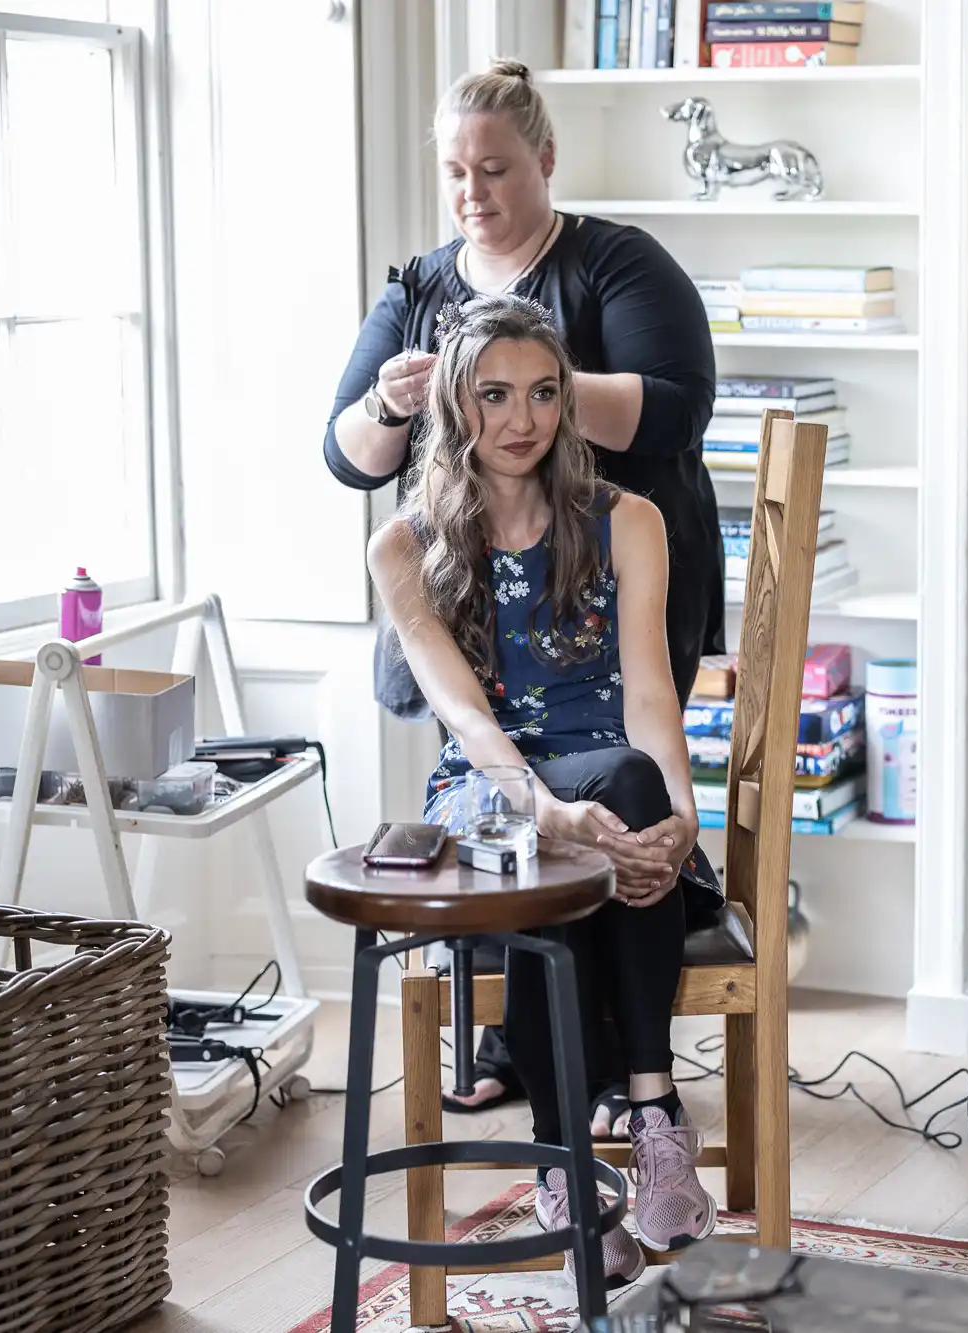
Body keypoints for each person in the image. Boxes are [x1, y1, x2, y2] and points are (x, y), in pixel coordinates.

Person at [325, 57, 721, 1122]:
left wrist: (514, 376)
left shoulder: (617, 266)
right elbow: (348, 455)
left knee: (614, 777)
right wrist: (409, 398)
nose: (471, 191)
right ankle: (550, 1062)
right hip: (474, 593)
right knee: (529, 787)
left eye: (493, 168)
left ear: (544, 161)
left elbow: (676, 413)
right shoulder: (417, 287)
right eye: (454, 171)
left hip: (603, 592)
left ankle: (604, 1083)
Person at [369, 293, 719, 1284]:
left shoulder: (628, 522)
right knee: (553, 841)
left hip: (615, 791)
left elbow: (650, 690)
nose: (520, 419)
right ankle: (590, 1150)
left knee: (624, 784)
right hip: (483, 793)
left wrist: (684, 817)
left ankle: (638, 1126)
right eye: (492, 395)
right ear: (452, 402)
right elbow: (466, 719)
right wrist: (541, 806)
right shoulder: (402, 545)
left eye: (541, 393)